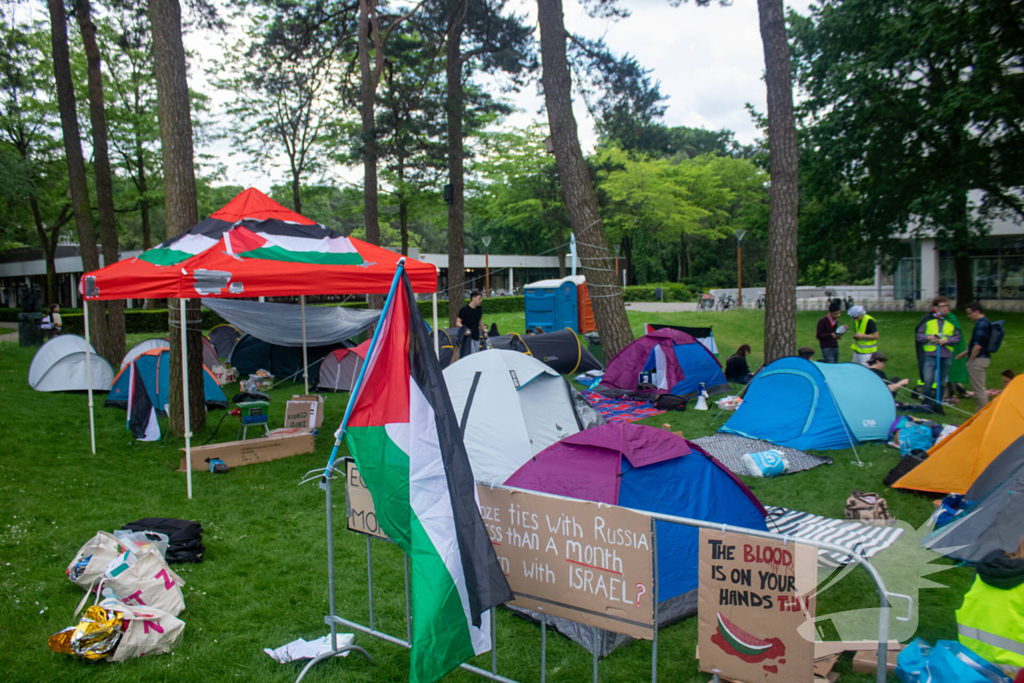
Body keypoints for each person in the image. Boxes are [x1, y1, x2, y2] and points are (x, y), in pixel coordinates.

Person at [915, 296, 961, 406]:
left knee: (941, 382)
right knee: (928, 380)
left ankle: (938, 403)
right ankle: (926, 403)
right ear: (935, 307)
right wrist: (929, 337)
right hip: (931, 354)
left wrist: (947, 341)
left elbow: (957, 337)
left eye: (946, 306)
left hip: (946, 354)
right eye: (942, 306)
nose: (945, 308)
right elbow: (919, 335)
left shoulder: (950, 320)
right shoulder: (928, 320)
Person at [956, 301, 992, 410]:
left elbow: (978, 346)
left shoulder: (981, 325)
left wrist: (971, 360)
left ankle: (983, 413)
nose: (968, 316)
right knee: (980, 388)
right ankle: (981, 412)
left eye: (970, 313)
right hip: (983, 358)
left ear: (977, 312)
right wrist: (965, 353)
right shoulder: (985, 323)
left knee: (979, 390)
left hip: (978, 359)